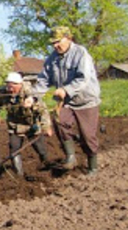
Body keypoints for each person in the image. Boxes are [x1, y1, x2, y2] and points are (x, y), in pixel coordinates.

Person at [31, 26, 101, 175]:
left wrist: (66, 89)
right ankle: (71, 157)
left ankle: (93, 167)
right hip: (67, 102)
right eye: (53, 43)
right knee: (60, 122)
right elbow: (43, 81)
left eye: (58, 41)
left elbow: (84, 78)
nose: (55, 45)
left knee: (87, 135)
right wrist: (32, 97)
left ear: (68, 38)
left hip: (86, 101)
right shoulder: (52, 59)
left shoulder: (81, 53)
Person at [0, 72, 52, 176]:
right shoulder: (3, 93)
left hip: (32, 124)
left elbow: (43, 110)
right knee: (14, 150)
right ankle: (19, 176)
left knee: (40, 148)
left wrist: (46, 126)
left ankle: (48, 166)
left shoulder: (31, 93)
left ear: (19, 85)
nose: (9, 90)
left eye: (12, 87)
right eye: (8, 86)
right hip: (15, 125)